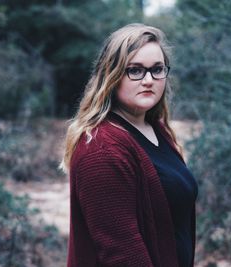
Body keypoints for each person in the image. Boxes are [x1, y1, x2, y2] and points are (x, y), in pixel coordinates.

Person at [61, 23, 198, 267]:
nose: (148, 80)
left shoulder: (157, 129)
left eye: (157, 69)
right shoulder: (101, 150)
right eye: (135, 70)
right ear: (111, 75)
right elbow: (122, 254)